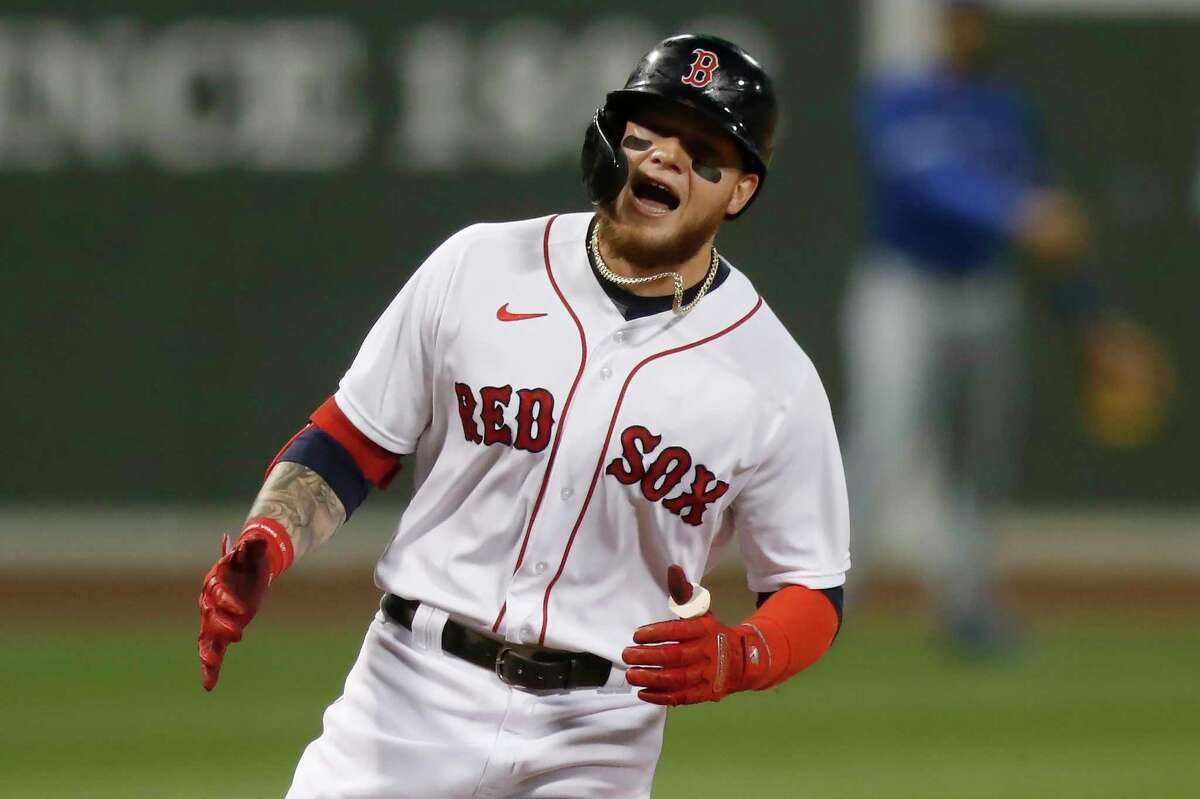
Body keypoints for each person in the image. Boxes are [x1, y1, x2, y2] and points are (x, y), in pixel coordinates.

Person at [197, 34, 850, 798]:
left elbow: (811, 588)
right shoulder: (479, 265)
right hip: (408, 696)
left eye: (704, 148)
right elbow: (352, 439)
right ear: (611, 138)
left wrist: (741, 656)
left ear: (740, 191)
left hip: (599, 734)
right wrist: (269, 537)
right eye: (649, 131)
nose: (667, 157)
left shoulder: (774, 376)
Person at [844, 0, 1169, 655]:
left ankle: (968, 608)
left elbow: (1054, 231)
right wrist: (1013, 209)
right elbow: (919, 181)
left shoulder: (1006, 111)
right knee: (882, 442)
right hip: (905, 287)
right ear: (941, 27)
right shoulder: (899, 99)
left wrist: (1096, 323)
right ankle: (823, 608)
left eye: (976, 17)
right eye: (957, 17)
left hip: (984, 291)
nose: (968, 29)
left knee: (980, 460)